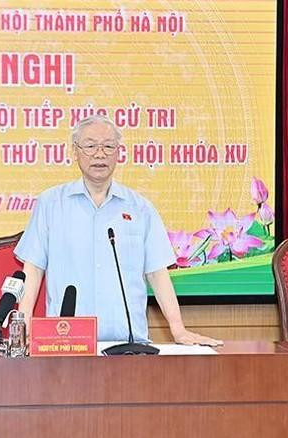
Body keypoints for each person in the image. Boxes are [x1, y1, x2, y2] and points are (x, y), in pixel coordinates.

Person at [15, 114, 217, 345]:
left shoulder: (140, 208)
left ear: (119, 153)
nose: (100, 154)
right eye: (90, 146)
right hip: (68, 343)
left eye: (108, 146)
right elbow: (33, 269)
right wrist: (25, 327)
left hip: (128, 342)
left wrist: (178, 329)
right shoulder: (50, 204)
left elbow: (157, 274)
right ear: (75, 151)